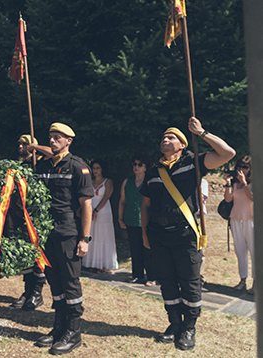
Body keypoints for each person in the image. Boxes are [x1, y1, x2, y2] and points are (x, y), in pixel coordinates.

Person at [140, 119, 235, 350]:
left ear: (183, 144)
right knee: (167, 281)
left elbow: (227, 153)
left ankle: (189, 328)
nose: (166, 139)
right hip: (158, 234)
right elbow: (145, 205)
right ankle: (174, 323)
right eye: (164, 137)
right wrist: (144, 235)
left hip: (185, 234)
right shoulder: (153, 171)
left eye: (171, 137)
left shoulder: (193, 162)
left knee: (190, 282)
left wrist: (201, 133)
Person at [35, 123, 94, 355]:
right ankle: (59, 326)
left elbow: (86, 204)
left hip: (68, 232)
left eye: (58, 137)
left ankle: (74, 331)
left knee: (70, 282)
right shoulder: (42, 166)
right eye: (50, 137)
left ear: (68, 141)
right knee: (54, 281)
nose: (52, 141)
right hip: (46, 233)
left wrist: (85, 238)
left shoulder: (78, 167)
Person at [10, 134, 46, 311]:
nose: (21, 147)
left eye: (25, 145)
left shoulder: (40, 162)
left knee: (37, 256)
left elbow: (53, 153)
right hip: (19, 215)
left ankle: (37, 293)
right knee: (25, 256)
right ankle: (28, 291)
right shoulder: (20, 165)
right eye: (20, 144)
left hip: (34, 216)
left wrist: (36, 149)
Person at [119, 154, 156, 286]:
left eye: (140, 164)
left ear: (146, 167)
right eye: (134, 164)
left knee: (148, 250)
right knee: (135, 249)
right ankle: (137, 275)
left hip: (146, 221)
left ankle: (152, 277)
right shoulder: (127, 182)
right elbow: (122, 201)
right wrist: (120, 218)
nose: (136, 167)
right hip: (131, 220)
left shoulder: (150, 182)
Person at [223, 155, 254, 294]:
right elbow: (228, 199)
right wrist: (228, 182)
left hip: (251, 220)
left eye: (245, 167)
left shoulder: (255, 183)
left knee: (254, 252)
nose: (241, 170)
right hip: (236, 219)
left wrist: (244, 183)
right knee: (240, 251)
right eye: (239, 167)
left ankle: (257, 283)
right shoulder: (235, 184)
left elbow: (252, 197)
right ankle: (243, 280)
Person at [81, 159, 118, 273]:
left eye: (98, 168)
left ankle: (103, 264)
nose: (95, 170)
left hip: (103, 211)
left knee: (103, 235)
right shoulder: (90, 181)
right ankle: (92, 262)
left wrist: (96, 210)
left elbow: (106, 196)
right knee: (93, 234)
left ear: (102, 169)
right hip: (90, 210)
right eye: (94, 168)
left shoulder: (108, 181)